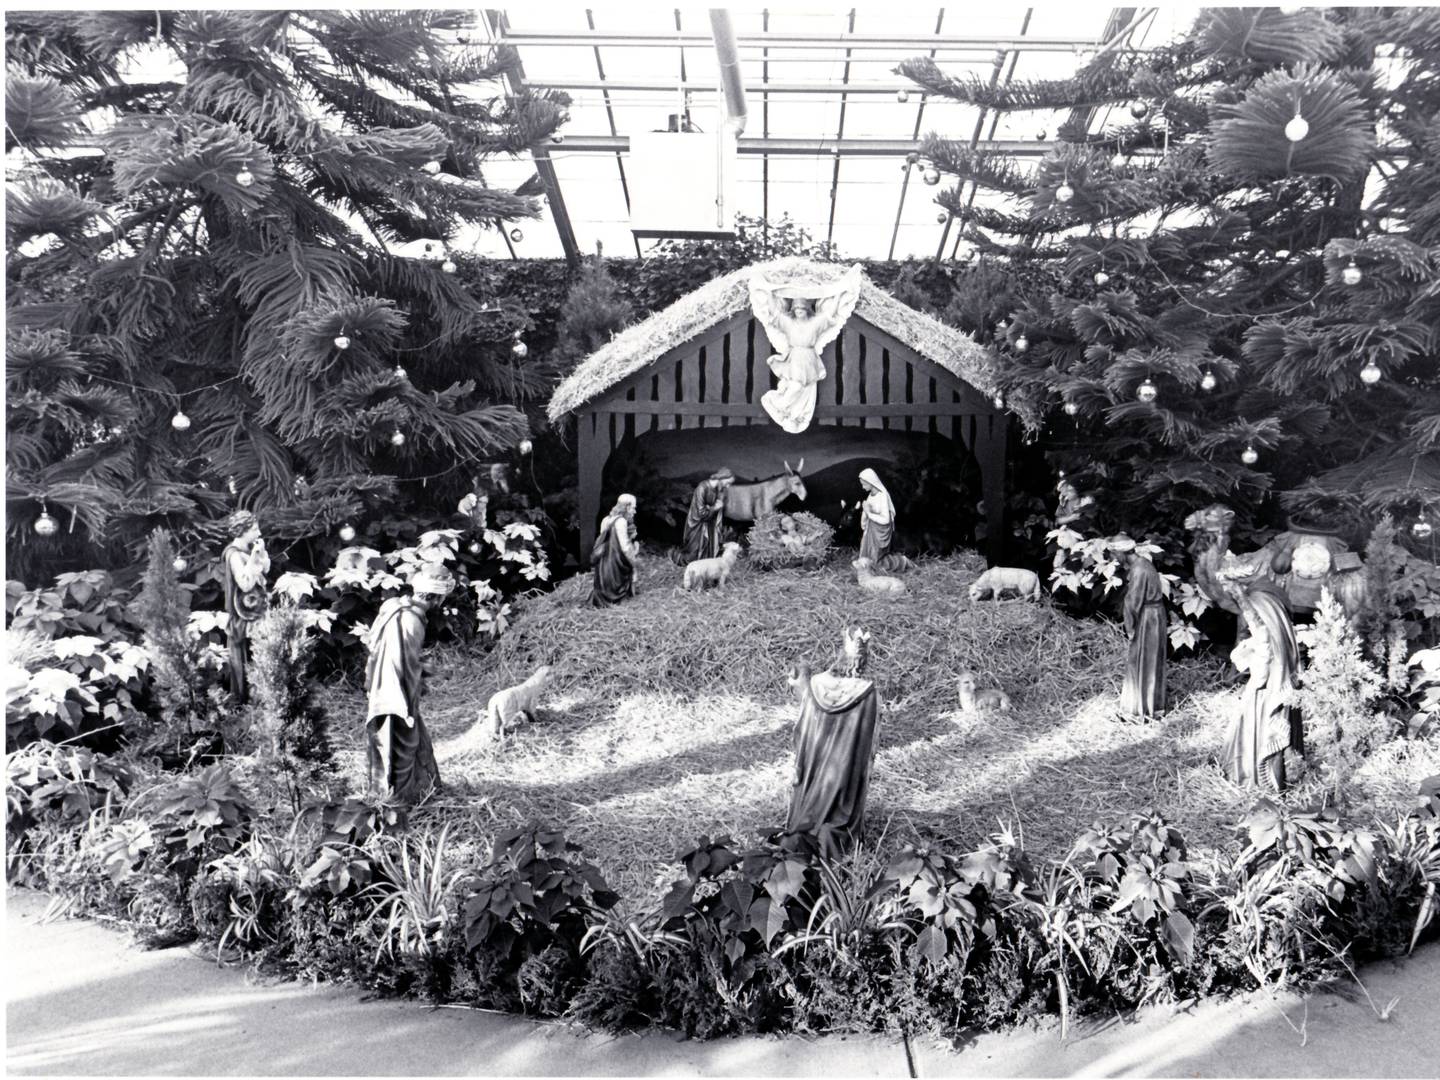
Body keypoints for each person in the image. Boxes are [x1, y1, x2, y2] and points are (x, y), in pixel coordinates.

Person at [364, 563, 454, 805]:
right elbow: (403, 666)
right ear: (437, 597)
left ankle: (418, 790)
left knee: (401, 743)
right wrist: (425, 670)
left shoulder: (394, 607)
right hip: (396, 696)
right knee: (401, 747)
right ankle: (398, 802)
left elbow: (377, 648)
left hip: (380, 689)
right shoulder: (412, 622)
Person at [785, 628, 879, 858]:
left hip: (814, 769)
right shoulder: (867, 692)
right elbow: (866, 742)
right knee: (840, 803)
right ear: (863, 661)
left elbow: (805, 726)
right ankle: (835, 815)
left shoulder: (817, 684)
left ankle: (808, 816)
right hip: (844, 770)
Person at [1219, 564, 1302, 791]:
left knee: (1256, 726)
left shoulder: (1254, 607)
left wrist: (1252, 671)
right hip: (1280, 674)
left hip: (1267, 685)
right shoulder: (1270, 601)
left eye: (1228, 588)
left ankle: (1253, 774)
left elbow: (1264, 650)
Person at [1110, 535, 1167, 721]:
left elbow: (1133, 601)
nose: (1115, 558)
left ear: (1123, 552)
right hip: (1154, 614)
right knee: (1148, 658)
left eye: (1115, 553)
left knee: (1143, 659)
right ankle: (1149, 706)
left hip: (1148, 617)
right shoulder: (1143, 564)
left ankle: (1139, 710)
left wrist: (1130, 626)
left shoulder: (1139, 570)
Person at [221, 510, 270, 703]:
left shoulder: (248, 550)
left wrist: (261, 553)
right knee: (248, 658)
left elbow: (264, 570)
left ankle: (260, 697)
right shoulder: (234, 555)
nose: (258, 533)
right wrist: (253, 557)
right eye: (254, 529)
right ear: (243, 531)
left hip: (255, 610)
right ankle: (248, 700)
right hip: (244, 615)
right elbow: (245, 584)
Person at [857, 468, 911, 573]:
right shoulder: (870, 496)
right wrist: (865, 515)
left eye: (864, 484)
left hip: (881, 532)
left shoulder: (883, 496)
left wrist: (868, 513)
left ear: (871, 482)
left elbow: (886, 520)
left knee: (877, 562)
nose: (862, 487)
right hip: (871, 530)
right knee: (866, 559)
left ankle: (902, 562)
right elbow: (867, 515)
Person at [590, 494, 639, 607]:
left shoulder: (606, 520)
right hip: (615, 564)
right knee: (618, 586)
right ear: (626, 507)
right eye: (633, 507)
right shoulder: (621, 522)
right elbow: (625, 547)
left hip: (603, 564)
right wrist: (634, 564)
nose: (634, 511)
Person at [679, 468, 734, 564]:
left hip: (709, 524)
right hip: (697, 525)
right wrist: (715, 508)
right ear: (721, 478)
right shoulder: (702, 488)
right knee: (694, 555)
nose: (728, 486)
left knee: (710, 551)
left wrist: (715, 508)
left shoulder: (717, 490)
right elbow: (700, 513)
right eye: (727, 483)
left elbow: (714, 506)